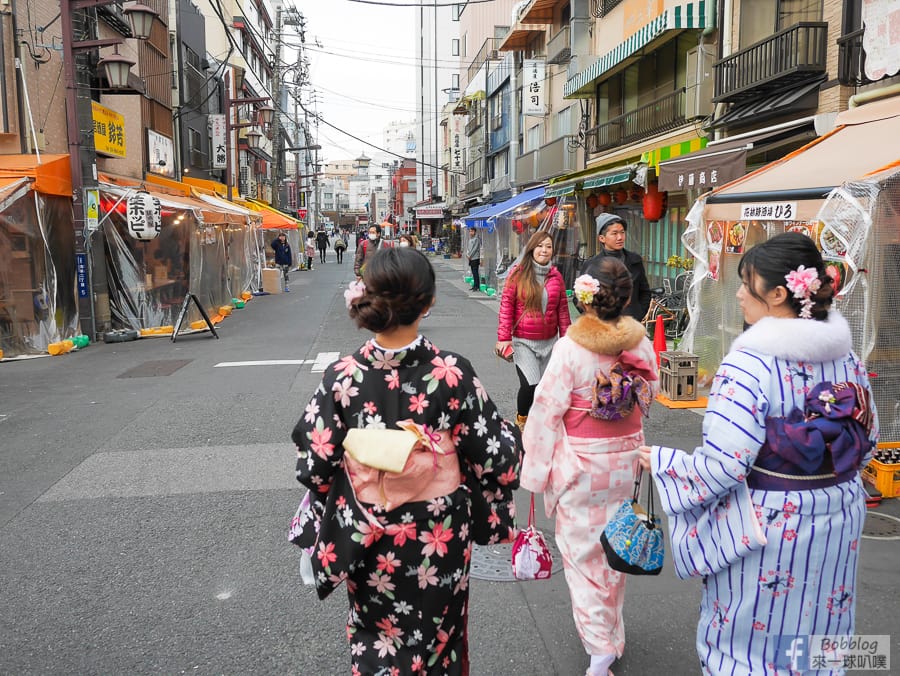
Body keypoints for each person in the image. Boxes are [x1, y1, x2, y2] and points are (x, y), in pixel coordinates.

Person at [638, 232, 878, 674]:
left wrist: (664, 461)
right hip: (839, 513)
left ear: (779, 294)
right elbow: (868, 443)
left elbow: (724, 467)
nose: (740, 293)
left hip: (773, 522)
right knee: (821, 630)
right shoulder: (848, 360)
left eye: (747, 284)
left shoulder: (750, 363)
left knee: (750, 646)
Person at [290, 246, 521, 674]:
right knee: (440, 634)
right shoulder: (451, 372)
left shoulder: (341, 377)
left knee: (374, 632)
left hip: (367, 530)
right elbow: (498, 457)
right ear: (429, 302)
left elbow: (317, 464)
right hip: (440, 533)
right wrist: (513, 438)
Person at [521, 257, 658, 676]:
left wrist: (535, 472)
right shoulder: (639, 343)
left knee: (583, 560)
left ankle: (600, 649)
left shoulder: (570, 348)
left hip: (581, 463)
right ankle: (612, 634)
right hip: (626, 460)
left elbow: (545, 412)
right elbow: (650, 393)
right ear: (628, 298)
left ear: (583, 299)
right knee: (616, 547)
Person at [496, 230, 571, 430]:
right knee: (531, 384)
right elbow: (506, 308)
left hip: (550, 342)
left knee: (547, 387)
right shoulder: (518, 274)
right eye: (540, 246)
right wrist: (504, 338)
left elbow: (563, 312)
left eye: (548, 246)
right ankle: (522, 420)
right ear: (531, 249)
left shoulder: (556, 277)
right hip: (524, 342)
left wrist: (566, 342)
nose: (544, 250)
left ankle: (542, 424)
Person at [578, 214, 650, 322]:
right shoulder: (592, 264)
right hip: (602, 324)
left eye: (622, 232)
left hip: (630, 323)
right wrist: (593, 315)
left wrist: (639, 313)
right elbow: (580, 296)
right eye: (614, 233)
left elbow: (644, 291)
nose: (620, 237)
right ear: (602, 238)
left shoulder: (635, 260)